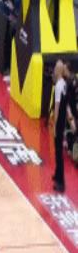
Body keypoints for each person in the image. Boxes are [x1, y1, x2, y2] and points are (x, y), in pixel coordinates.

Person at [52, 60, 68, 192]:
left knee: (58, 152)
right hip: (63, 121)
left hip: (59, 123)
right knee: (58, 151)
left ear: (58, 70)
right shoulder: (64, 84)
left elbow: (56, 108)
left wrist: (54, 126)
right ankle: (57, 174)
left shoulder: (58, 86)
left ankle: (61, 183)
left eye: (55, 68)